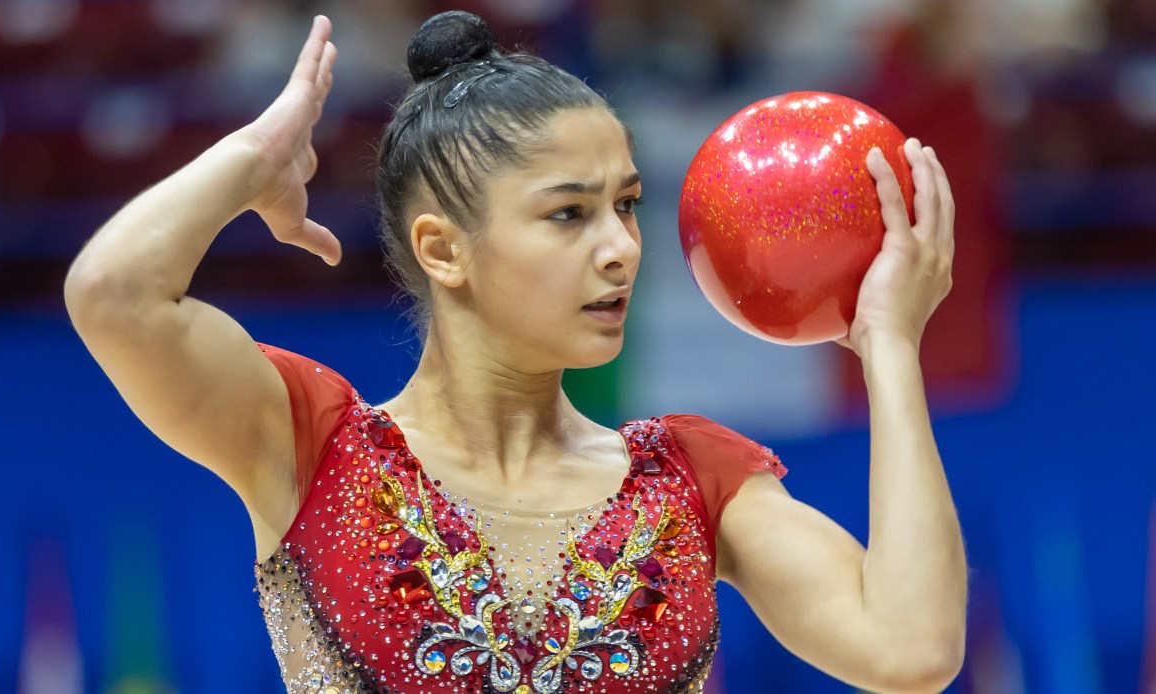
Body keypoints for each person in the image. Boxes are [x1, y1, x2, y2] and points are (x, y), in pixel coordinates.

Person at [65, 10, 965, 694]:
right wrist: (252, 159)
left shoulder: (692, 478)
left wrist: (887, 345)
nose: (618, 247)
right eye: (568, 214)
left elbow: (910, 650)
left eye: (627, 204)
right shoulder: (310, 445)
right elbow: (113, 294)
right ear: (442, 248)